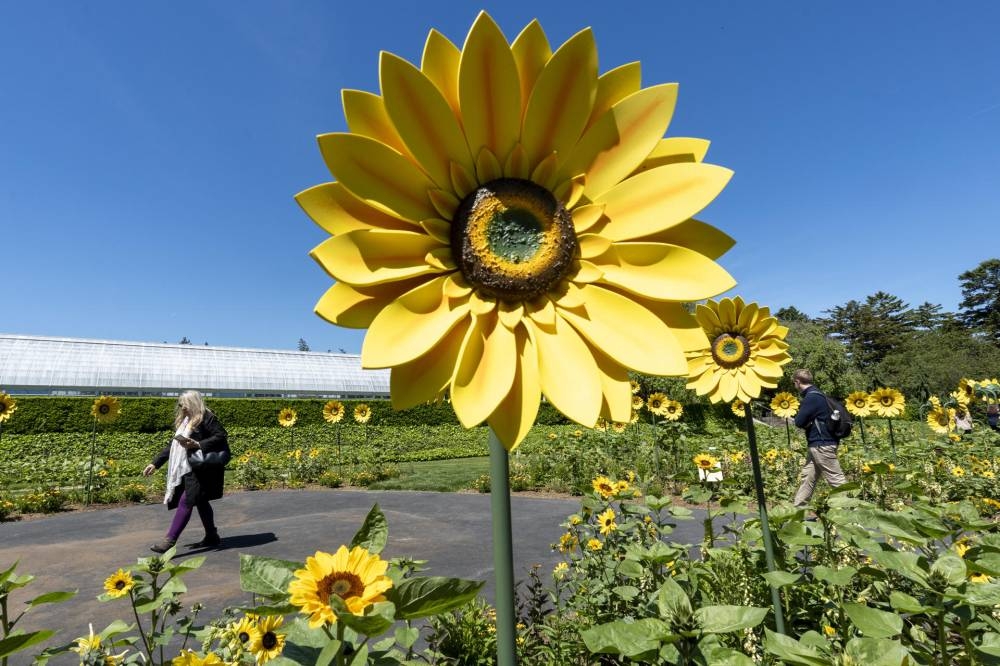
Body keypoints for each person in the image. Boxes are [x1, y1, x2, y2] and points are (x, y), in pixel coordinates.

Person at [143, 390, 230, 552]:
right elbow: (174, 445)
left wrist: (197, 444)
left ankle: (169, 541)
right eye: (180, 404)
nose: (181, 407)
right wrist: (155, 463)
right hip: (187, 466)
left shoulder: (207, 417)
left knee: (186, 500)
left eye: (184, 404)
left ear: (193, 403)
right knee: (201, 501)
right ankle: (212, 535)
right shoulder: (186, 421)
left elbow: (221, 436)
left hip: (202, 467)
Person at [791, 369, 846, 507]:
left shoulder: (811, 397)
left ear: (797, 382)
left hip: (821, 445)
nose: (794, 386)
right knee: (808, 477)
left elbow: (799, 422)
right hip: (819, 444)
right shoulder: (819, 394)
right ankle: (798, 511)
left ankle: (853, 513)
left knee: (836, 479)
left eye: (794, 383)